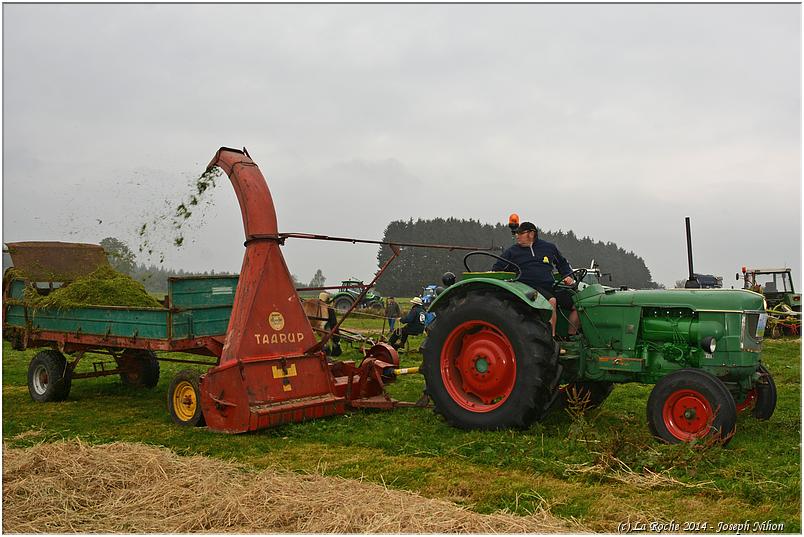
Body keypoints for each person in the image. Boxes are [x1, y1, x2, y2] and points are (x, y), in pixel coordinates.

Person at [492, 221, 579, 338]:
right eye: (516, 233)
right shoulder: (512, 252)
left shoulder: (549, 248)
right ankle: (551, 339)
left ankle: (571, 337)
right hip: (527, 289)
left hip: (549, 286)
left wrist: (568, 276)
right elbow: (498, 268)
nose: (517, 236)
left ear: (531, 234)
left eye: (520, 233)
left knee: (579, 304)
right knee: (551, 301)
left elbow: (562, 264)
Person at [319, 292, 342, 357]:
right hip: (331, 327)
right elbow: (334, 323)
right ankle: (334, 350)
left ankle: (327, 349)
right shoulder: (330, 309)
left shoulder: (320, 308)